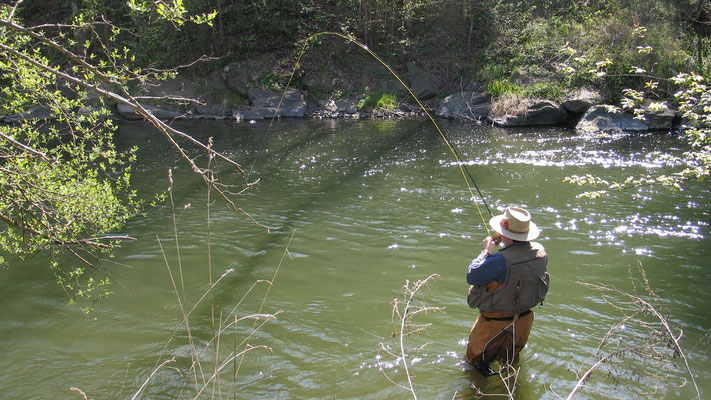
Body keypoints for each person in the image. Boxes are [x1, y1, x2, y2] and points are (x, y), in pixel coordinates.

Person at [465, 206, 549, 375]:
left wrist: (485, 251)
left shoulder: (499, 260)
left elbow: (472, 275)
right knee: (511, 364)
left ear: (505, 233)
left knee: (474, 368)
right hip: (523, 323)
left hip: (493, 326)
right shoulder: (540, 252)